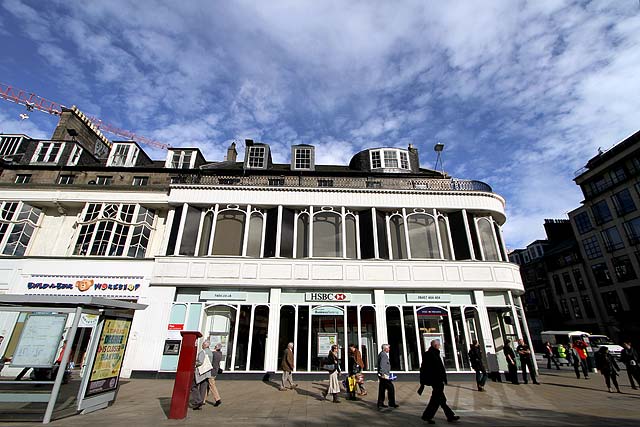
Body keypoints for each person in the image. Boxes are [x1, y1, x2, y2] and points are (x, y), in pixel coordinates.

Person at [420, 339, 459, 424]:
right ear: (435, 345)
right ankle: (427, 416)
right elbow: (428, 368)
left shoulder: (434, 353)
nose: (440, 346)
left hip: (438, 380)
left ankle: (450, 416)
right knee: (436, 399)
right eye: (439, 345)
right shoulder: (430, 354)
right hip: (436, 380)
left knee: (441, 399)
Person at [191, 340, 213, 410]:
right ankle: (200, 403)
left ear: (205, 345)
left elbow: (200, 362)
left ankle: (198, 400)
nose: (202, 345)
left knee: (193, 386)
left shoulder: (202, 352)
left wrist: (194, 363)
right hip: (207, 372)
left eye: (203, 344)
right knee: (203, 388)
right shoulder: (210, 353)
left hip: (201, 372)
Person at [376, 344, 398, 409]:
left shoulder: (381, 354)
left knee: (382, 389)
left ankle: (380, 403)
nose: (389, 349)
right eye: (388, 348)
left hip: (383, 375)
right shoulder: (383, 355)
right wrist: (382, 374)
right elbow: (382, 365)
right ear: (385, 348)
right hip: (384, 375)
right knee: (391, 388)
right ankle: (391, 403)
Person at [207, 343, 223, 407]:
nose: (214, 347)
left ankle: (217, 399)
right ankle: (203, 400)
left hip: (211, 372)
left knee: (212, 385)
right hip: (215, 371)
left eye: (215, 346)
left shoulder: (214, 354)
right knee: (207, 385)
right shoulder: (220, 354)